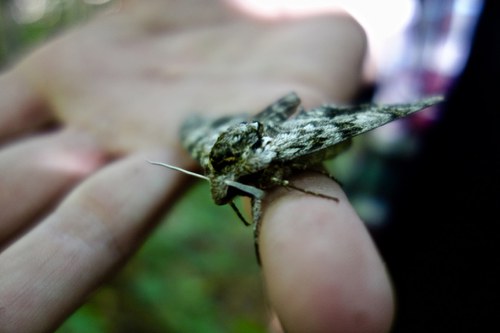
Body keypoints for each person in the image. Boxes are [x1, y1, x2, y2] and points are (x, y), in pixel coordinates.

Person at [0, 1, 394, 332]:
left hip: (309, 140)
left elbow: (256, 176)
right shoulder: (207, 154)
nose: (218, 193)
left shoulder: (250, 161)